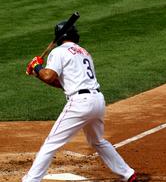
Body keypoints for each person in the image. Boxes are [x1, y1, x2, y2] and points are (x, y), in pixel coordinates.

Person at [23, 21, 137, 182]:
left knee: (51, 144)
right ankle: (127, 173)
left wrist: (36, 66)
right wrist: (37, 72)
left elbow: (48, 75)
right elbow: (61, 83)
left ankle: (30, 180)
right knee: (97, 141)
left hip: (80, 103)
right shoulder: (84, 52)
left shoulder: (58, 52)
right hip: (97, 101)